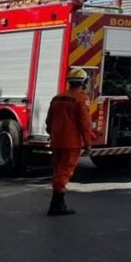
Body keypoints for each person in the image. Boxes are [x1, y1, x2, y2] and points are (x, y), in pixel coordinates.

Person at [46, 67, 92, 216]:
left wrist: (52, 132)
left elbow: (49, 120)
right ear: (83, 82)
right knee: (64, 171)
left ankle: (58, 202)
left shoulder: (58, 97)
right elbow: (84, 123)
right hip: (71, 142)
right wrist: (88, 143)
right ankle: (57, 204)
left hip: (57, 140)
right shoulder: (81, 99)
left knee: (58, 169)